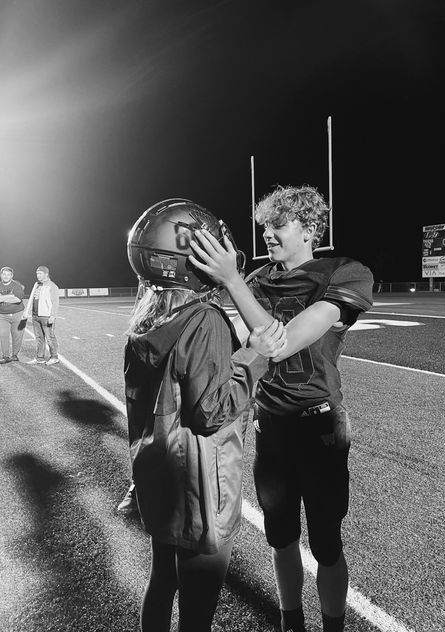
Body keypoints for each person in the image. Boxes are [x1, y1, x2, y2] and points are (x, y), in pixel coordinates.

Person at [189, 185, 374, 632]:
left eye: (278, 224)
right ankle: (292, 624)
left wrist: (232, 281)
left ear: (309, 228)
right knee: (281, 538)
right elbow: (226, 342)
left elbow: (285, 343)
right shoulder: (255, 280)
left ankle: (333, 627)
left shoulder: (342, 273)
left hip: (319, 426)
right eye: (264, 226)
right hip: (270, 426)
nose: (267, 234)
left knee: (327, 544)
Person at [125, 198, 287, 632]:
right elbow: (212, 411)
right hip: (200, 485)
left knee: (162, 582)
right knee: (197, 611)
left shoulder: (148, 314)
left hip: (158, 472)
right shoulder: (204, 319)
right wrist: (256, 356)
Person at [23, 266, 60, 365]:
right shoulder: (37, 284)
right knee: (39, 338)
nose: (38, 275)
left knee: (50, 337)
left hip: (46, 316)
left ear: (46, 274)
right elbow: (32, 298)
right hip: (35, 316)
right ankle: (40, 358)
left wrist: (53, 316)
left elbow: (55, 302)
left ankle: (54, 357)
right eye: (37, 273)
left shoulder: (52, 286)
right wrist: (27, 311)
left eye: (40, 273)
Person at [0, 266, 26, 364]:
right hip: (2, 315)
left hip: (18, 314)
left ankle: (15, 355)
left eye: (8, 274)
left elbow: (18, 299)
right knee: (3, 335)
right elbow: (13, 298)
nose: (6, 276)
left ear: (12, 276)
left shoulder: (17, 285)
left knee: (17, 335)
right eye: (4, 274)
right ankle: (6, 356)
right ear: (1, 275)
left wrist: (2, 297)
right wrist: (10, 296)